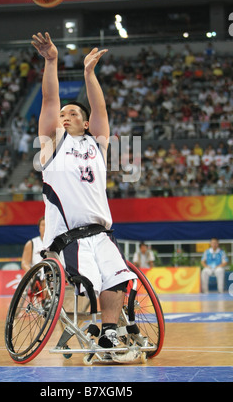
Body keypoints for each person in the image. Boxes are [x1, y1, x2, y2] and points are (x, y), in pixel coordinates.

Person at [31, 31, 136, 350]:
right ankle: (96, 325)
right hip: (68, 237)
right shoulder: (52, 143)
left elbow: (100, 110)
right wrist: (52, 61)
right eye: (63, 114)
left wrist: (89, 73)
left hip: (101, 232)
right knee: (89, 283)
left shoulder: (97, 144)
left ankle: (108, 332)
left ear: (86, 124)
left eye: (73, 113)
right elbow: (51, 100)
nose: (65, 115)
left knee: (118, 277)